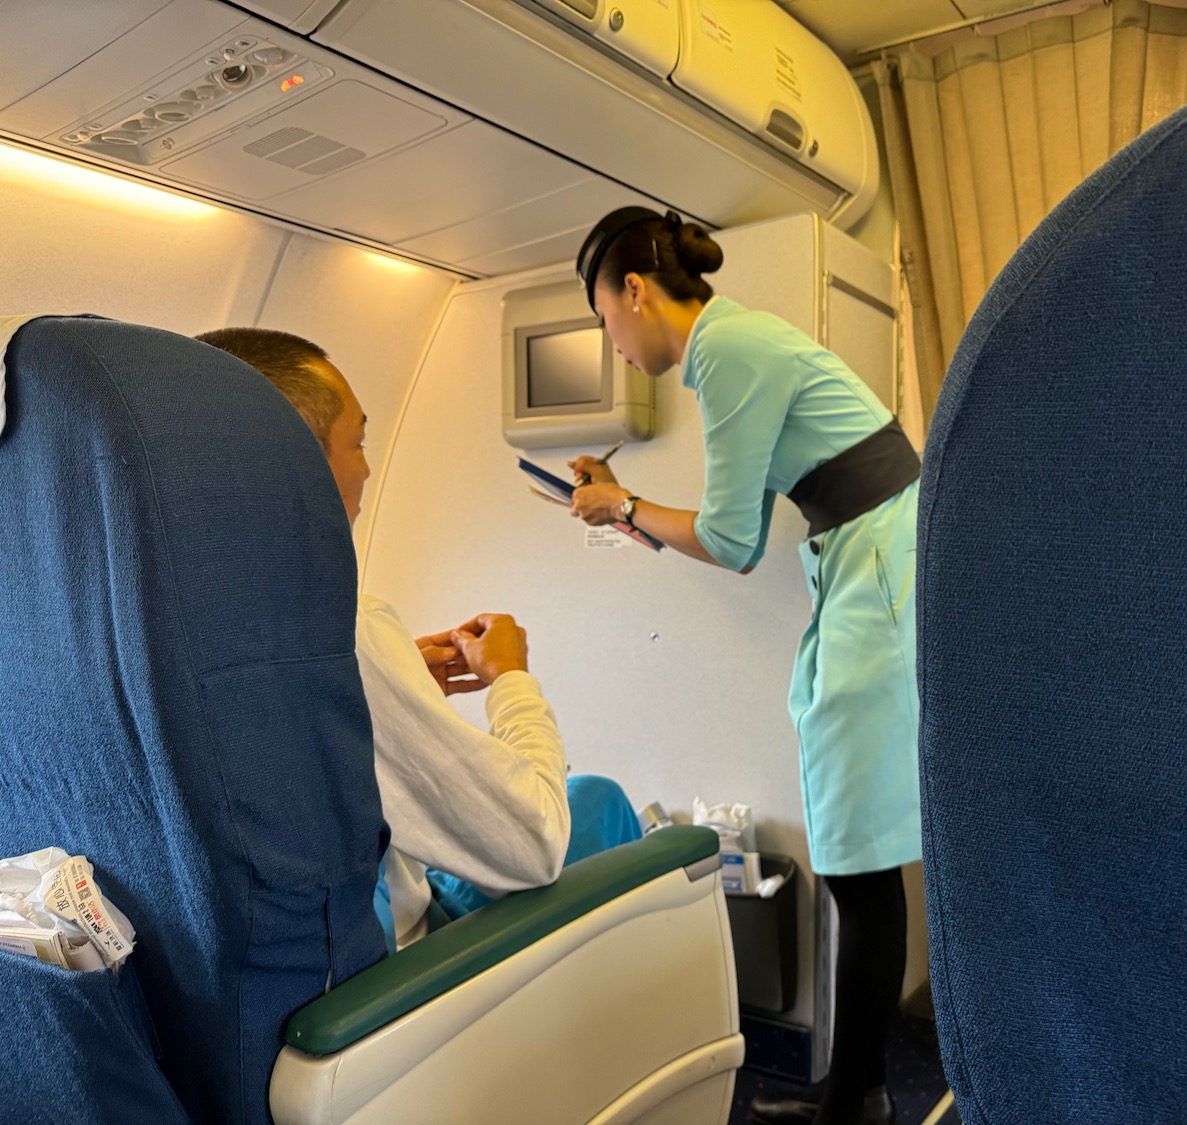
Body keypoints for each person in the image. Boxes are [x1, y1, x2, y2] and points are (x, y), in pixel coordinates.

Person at [569, 208, 920, 1125]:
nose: (614, 343)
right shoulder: (737, 342)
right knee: (859, 846)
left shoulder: (723, 353)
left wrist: (624, 504)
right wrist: (626, 509)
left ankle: (857, 1100)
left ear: (634, 292)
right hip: (869, 559)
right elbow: (746, 531)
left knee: (858, 857)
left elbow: (729, 542)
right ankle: (861, 1090)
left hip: (882, 566)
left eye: (605, 319)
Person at [196, 328, 634, 952]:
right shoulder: (334, 629)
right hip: (392, 964)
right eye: (358, 441)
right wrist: (511, 681)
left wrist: (394, 691)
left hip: (258, 955)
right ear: (295, 464)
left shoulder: (154, 609)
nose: (368, 468)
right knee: (596, 802)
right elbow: (530, 844)